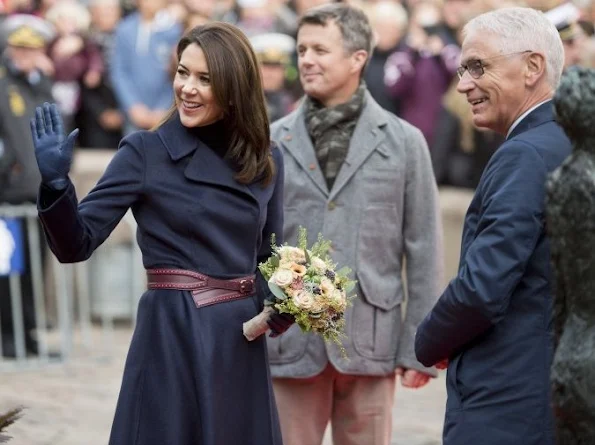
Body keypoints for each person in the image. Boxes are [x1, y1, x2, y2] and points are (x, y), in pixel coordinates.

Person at [30, 22, 292, 445]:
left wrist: (284, 306)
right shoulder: (145, 152)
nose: (187, 88)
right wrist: (57, 187)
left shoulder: (266, 160)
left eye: (205, 79)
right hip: (173, 333)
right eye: (182, 72)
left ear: (234, 87)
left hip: (239, 341)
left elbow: (270, 257)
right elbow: (75, 245)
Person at [267, 4, 444, 445]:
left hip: (371, 340)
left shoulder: (405, 142)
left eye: (320, 49)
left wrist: (419, 348)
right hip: (289, 341)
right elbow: (254, 242)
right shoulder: (271, 140)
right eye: (302, 48)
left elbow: (424, 247)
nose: (306, 59)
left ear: (358, 58)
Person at [415, 7, 571, 445]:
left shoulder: (524, 154)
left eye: (478, 66)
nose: (464, 84)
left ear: (532, 67)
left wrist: (427, 340)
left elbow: (482, 290)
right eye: (463, 68)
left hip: (510, 398)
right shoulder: (568, 142)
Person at [0, 13, 55, 358]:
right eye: (20, 48)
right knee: (9, 269)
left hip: (39, 191)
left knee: (34, 269)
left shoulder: (40, 85)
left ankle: (28, 335)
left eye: (32, 49)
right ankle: (8, 335)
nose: (25, 55)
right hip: (10, 194)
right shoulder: (4, 83)